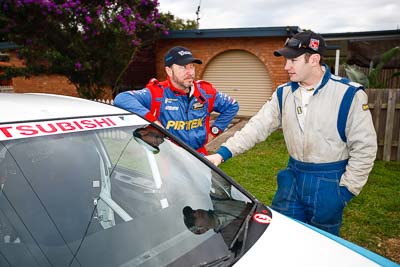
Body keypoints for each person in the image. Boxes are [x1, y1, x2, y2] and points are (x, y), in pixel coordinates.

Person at [206, 30, 377, 236]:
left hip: (329, 182)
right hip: (293, 177)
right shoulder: (284, 93)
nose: (286, 66)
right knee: (283, 234)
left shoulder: (349, 94)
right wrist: (221, 154)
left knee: (321, 242)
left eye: (293, 60)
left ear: (314, 59)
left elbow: (365, 147)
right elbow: (256, 127)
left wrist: (346, 191)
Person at [114, 46, 239, 155]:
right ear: (169, 71)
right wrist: (153, 121)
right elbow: (122, 98)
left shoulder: (205, 92)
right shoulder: (157, 92)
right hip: (169, 160)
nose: (190, 72)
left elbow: (232, 106)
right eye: (183, 67)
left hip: (199, 156)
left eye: (192, 67)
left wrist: (215, 131)